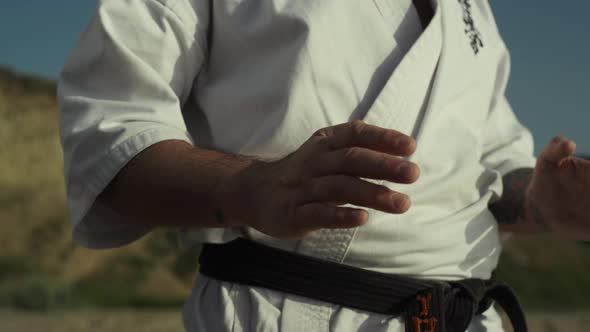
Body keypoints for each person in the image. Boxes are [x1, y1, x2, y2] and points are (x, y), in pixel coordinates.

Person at [58, 0, 589, 331]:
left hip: (466, 318)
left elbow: (493, 164)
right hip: (287, 312)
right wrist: (246, 185)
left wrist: (542, 203)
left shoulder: (473, 10)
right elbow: (109, 130)